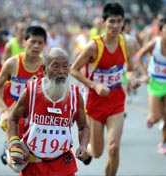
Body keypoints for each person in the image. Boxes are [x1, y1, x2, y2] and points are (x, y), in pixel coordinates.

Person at [70, 3, 141, 176]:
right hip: (95, 102)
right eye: (111, 22)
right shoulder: (93, 47)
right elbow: (73, 70)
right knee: (97, 152)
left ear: (123, 22)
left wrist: (132, 78)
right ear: (103, 23)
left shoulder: (127, 44)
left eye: (119, 21)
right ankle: (86, 149)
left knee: (114, 147)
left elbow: (130, 68)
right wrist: (94, 85)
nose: (116, 26)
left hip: (116, 100)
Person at [6, 47, 90, 176]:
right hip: (33, 165)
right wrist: (13, 143)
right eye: (55, 67)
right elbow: (12, 118)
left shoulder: (75, 95)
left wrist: (84, 146)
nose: (61, 72)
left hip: (63, 164)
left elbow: (83, 126)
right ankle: (6, 153)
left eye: (65, 66)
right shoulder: (31, 91)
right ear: (44, 69)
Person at [0, 26, 47, 166]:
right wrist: (5, 109)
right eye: (33, 41)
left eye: (40, 43)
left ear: (44, 45)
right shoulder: (12, 63)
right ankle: (8, 148)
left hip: (36, 117)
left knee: (34, 159)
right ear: (24, 42)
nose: (36, 46)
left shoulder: (46, 66)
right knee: (16, 164)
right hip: (13, 115)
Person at [137, 18, 166, 155]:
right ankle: (151, 119)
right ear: (161, 30)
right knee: (156, 117)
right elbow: (139, 56)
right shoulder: (156, 43)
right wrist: (145, 74)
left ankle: (163, 143)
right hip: (155, 83)